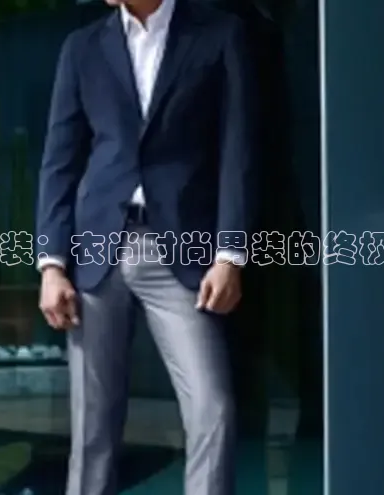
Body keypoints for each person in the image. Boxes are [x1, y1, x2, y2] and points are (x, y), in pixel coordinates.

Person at [35, 0, 257, 492]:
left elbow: (238, 149)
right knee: (92, 424)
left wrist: (230, 254)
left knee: (212, 407)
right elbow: (59, 159)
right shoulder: (82, 48)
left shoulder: (219, 34)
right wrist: (51, 265)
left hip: (182, 250)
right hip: (95, 251)